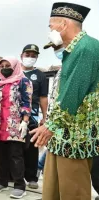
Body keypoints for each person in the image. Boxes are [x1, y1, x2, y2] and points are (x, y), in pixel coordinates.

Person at [30, 3, 99, 200]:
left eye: (51, 26)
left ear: (63, 24)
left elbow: (73, 94)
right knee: (53, 190)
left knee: (72, 192)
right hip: (61, 134)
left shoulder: (86, 48)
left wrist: (50, 125)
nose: (50, 30)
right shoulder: (74, 50)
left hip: (76, 138)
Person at [0, 57, 32, 199]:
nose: (5, 68)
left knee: (15, 155)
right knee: (1, 155)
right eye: (3, 66)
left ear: (15, 67)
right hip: (0, 124)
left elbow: (27, 102)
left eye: (8, 66)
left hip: (15, 125)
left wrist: (25, 121)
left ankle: (19, 185)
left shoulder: (24, 81)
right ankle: (2, 181)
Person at [19, 44, 49, 189]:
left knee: (31, 146)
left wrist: (44, 117)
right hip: (14, 115)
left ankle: (31, 177)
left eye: (33, 56)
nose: (30, 58)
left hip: (33, 116)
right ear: (21, 56)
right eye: (27, 55)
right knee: (14, 147)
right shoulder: (14, 72)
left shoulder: (41, 76)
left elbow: (43, 98)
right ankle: (14, 175)